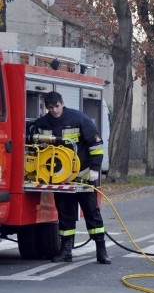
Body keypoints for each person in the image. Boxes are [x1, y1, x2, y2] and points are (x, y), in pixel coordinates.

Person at [32, 91, 110, 264]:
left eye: (57, 106)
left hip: (83, 177)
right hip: (61, 179)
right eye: (50, 108)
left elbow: (96, 145)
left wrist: (94, 171)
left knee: (92, 213)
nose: (54, 110)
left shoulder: (78, 119)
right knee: (65, 215)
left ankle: (101, 250)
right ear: (47, 107)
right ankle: (66, 251)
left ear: (62, 103)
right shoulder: (42, 124)